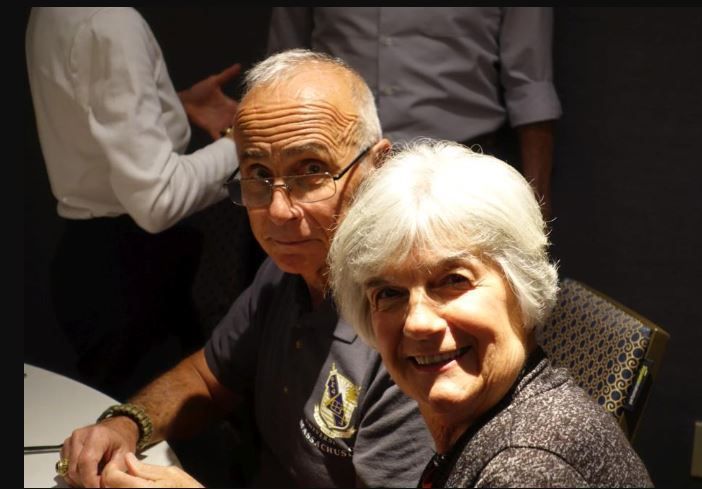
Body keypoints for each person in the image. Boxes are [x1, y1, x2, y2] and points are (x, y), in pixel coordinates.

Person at [57, 49, 434, 489]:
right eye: (258, 173)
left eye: (311, 170)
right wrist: (126, 423)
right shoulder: (284, 273)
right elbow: (208, 376)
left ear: (377, 166)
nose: (278, 211)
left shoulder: (412, 325)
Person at [327, 140, 654, 487]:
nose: (418, 323)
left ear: (521, 285)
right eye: (390, 293)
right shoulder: (492, 426)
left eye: (453, 280)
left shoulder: (527, 470)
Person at [26, 7, 241, 400]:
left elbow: (85, 105)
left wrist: (168, 105)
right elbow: (158, 200)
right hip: (130, 281)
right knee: (148, 429)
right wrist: (244, 142)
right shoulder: (110, 21)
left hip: (93, 263)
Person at [267, 7, 561, 221]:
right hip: (337, 174)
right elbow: (282, 69)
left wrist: (537, 209)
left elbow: (531, 85)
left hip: (462, 173)